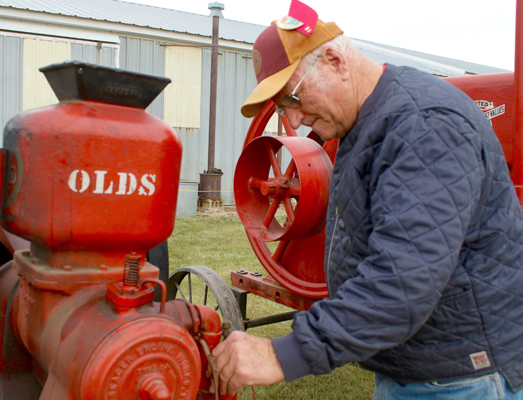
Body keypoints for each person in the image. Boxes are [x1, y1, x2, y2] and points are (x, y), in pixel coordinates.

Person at [211, 12, 523, 400]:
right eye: (281, 107)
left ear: (335, 62)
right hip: (417, 365)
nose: (294, 117)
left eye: (292, 97)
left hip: (461, 378)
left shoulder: (423, 125)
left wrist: (283, 354)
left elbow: (403, 281)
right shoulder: (367, 122)